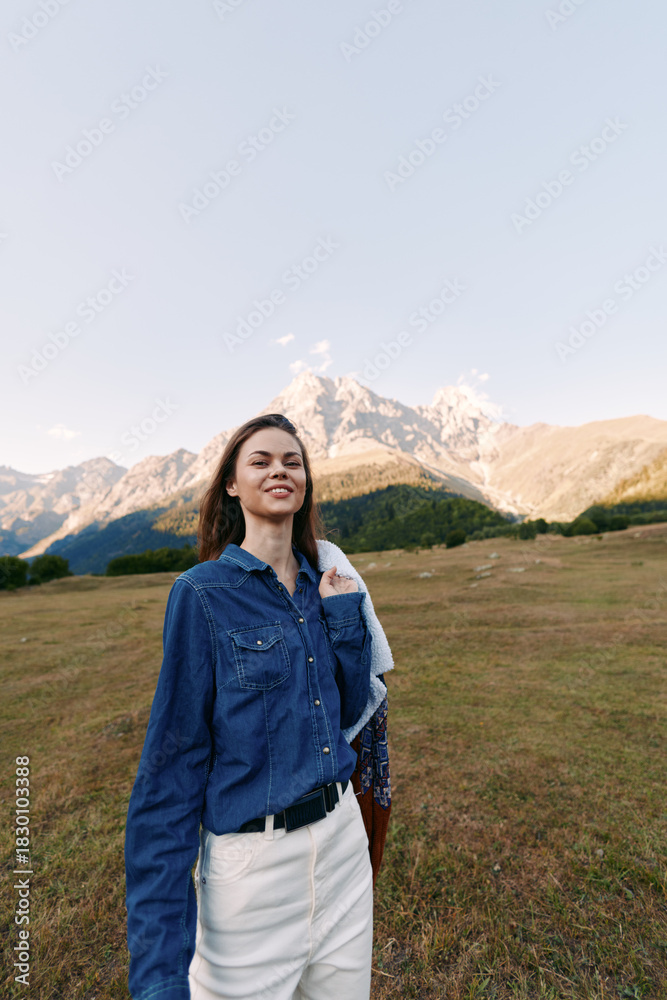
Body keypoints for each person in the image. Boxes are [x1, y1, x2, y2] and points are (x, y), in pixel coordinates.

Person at [124, 412, 392, 1000]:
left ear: (305, 483)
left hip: (344, 847)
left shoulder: (330, 577)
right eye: (261, 461)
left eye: (292, 461)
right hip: (254, 870)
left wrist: (344, 619)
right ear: (231, 484)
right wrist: (159, 975)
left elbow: (349, 711)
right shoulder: (201, 594)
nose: (280, 470)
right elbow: (170, 775)